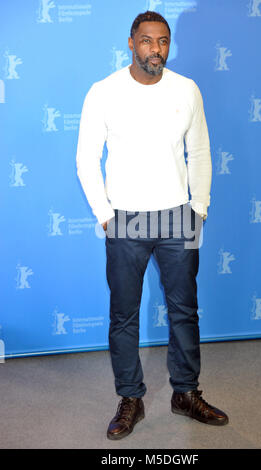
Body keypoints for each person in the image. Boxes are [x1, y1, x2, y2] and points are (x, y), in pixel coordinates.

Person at [76, 10, 229, 440]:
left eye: (163, 41)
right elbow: (86, 157)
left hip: (178, 217)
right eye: (146, 41)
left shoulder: (187, 89)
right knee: (123, 315)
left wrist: (198, 208)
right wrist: (105, 214)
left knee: (184, 311)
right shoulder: (104, 92)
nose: (155, 50)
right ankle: (131, 398)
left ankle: (185, 392)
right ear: (131, 42)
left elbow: (200, 152)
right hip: (124, 218)